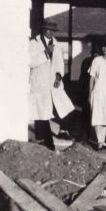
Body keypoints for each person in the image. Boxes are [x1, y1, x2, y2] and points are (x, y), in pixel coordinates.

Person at [29, 20, 75, 150]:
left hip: (54, 83)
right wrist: (45, 53)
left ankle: (63, 131)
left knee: (66, 106)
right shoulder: (33, 43)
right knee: (40, 111)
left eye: (52, 30)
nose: (50, 32)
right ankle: (41, 139)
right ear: (43, 30)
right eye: (48, 30)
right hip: (39, 82)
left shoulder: (57, 44)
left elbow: (59, 64)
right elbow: (30, 62)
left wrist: (59, 77)